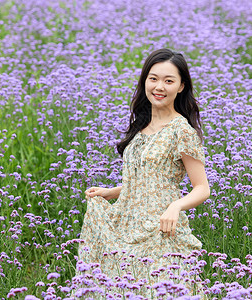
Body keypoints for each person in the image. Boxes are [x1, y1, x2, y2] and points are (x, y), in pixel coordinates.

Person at [76, 48, 210, 297]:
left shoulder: (182, 131)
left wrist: (175, 207)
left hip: (161, 228)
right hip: (126, 223)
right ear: (145, 81)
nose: (159, 86)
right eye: (153, 78)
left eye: (169, 81)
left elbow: (202, 188)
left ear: (181, 87)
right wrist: (111, 192)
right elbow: (146, 180)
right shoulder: (141, 126)